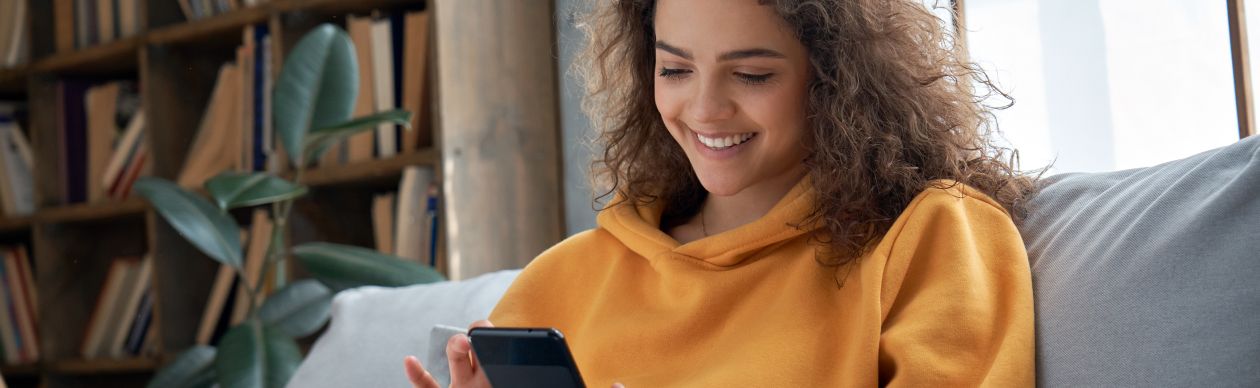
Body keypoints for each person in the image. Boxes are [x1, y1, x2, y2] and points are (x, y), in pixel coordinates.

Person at [407, 0, 1037, 386]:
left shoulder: (930, 237)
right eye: (674, 69)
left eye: (753, 74)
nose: (704, 109)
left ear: (836, 78)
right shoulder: (566, 279)